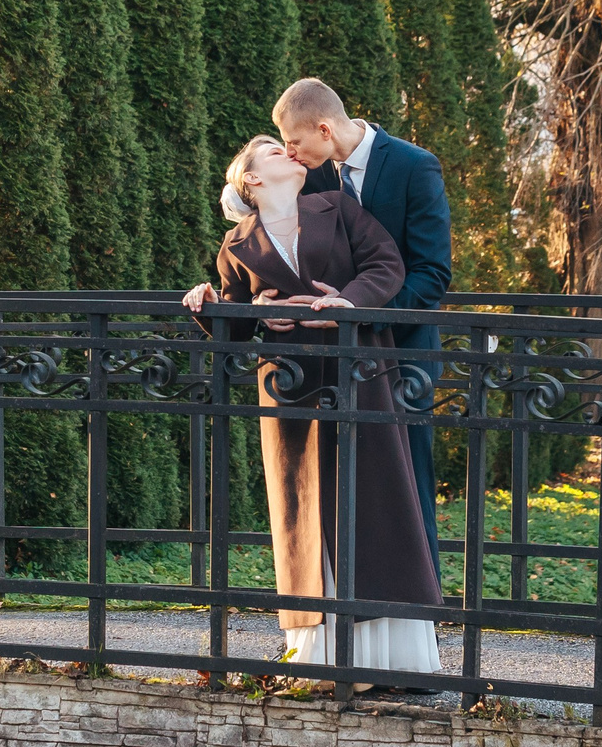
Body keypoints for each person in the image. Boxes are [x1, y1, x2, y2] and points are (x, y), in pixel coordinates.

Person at [181, 135, 444, 688]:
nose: (290, 155)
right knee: (305, 513)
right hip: (291, 389)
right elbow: (236, 325)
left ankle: (394, 663)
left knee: (376, 504)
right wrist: (214, 305)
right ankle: (321, 661)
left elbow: (386, 263)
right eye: (274, 152)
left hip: (359, 375)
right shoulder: (237, 244)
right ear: (251, 179)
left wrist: (349, 303)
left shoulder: (339, 208)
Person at [273, 78, 452, 572]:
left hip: (403, 358)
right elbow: (267, 216)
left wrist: (363, 311)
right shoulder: (312, 172)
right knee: (335, 492)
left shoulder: (416, 166)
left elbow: (433, 273)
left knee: (408, 490)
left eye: (294, 141)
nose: (290, 153)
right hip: (334, 363)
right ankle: (348, 623)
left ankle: (422, 627)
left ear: (325, 129)